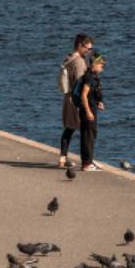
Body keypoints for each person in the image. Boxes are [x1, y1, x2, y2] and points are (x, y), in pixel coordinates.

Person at [57, 33, 93, 169]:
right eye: (88, 49)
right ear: (80, 46)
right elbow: (80, 82)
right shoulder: (78, 62)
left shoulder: (68, 58)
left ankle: (62, 158)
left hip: (67, 97)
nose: (89, 52)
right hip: (76, 99)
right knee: (86, 129)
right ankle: (87, 160)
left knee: (69, 128)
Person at [73, 52, 106, 171]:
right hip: (87, 111)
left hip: (91, 109)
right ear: (94, 64)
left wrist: (99, 102)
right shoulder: (89, 77)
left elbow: (92, 94)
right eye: (101, 64)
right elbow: (83, 95)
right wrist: (88, 111)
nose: (103, 66)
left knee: (91, 134)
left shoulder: (93, 76)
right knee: (88, 136)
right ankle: (86, 164)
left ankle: (89, 160)